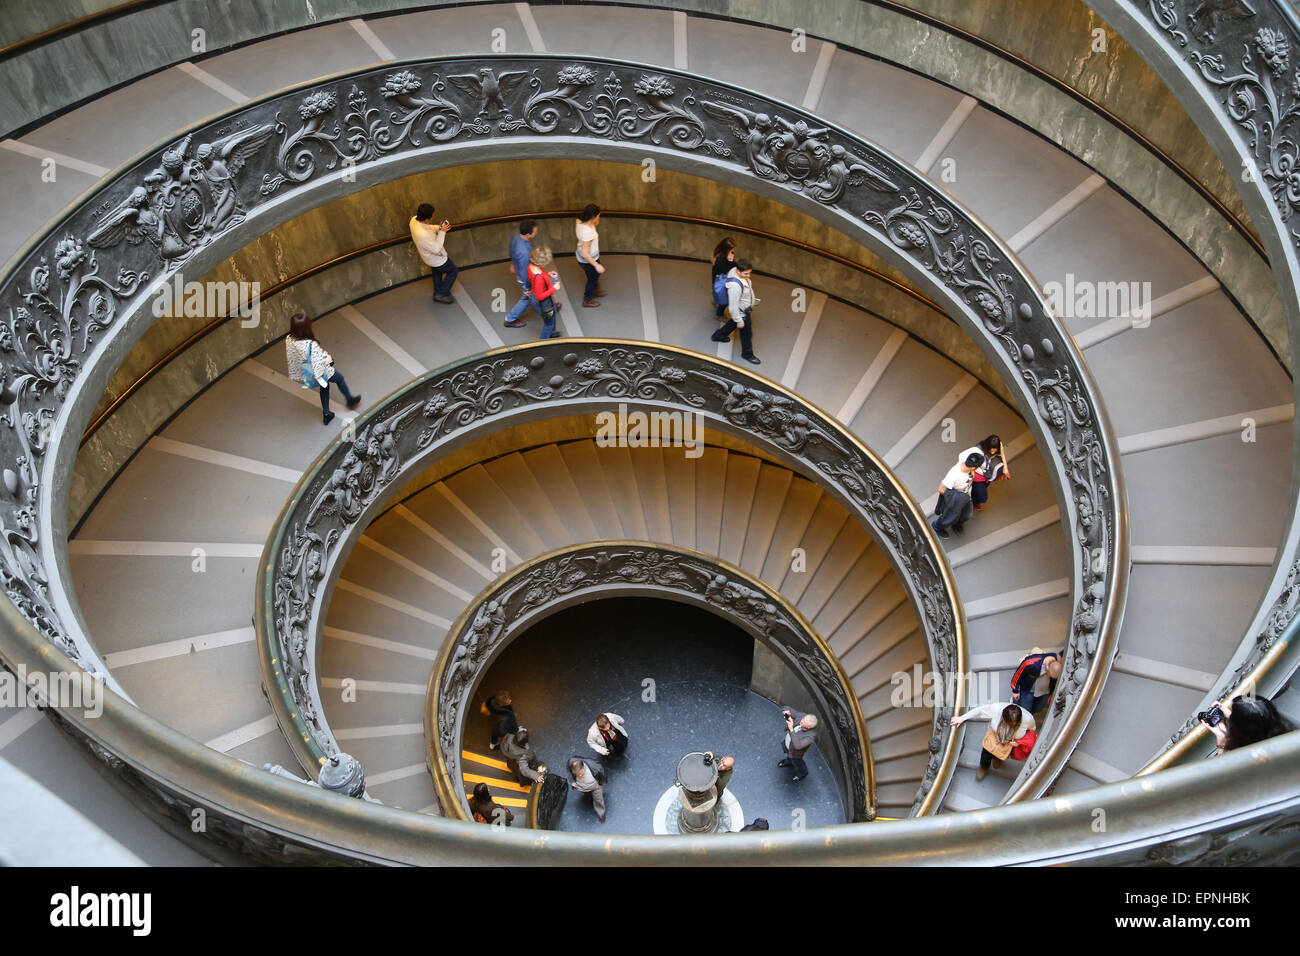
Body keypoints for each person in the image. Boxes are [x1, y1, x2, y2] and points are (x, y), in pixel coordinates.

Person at [284, 311, 361, 425]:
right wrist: (328, 360)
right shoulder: (311, 345)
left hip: (305, 370)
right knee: (339, 379)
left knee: (324, 386)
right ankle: (350, 400)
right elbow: (318, 366)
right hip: (318, 371)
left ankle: (326, 413)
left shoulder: (289, 339)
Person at [950, 702, 1035, 781]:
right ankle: (983, 767)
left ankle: (998, 759)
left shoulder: (1028, 719)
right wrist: (962, 718)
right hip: (994, 737)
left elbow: (1031, 731)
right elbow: (980, 710)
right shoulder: (997, 709)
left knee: (1003, 753)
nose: (1009, 726)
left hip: (1009, 743)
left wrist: (1019, 742)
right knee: (986, 753)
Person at [710, 258, 761, 365]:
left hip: (742, 310)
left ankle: (718, 336)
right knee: (747, 334)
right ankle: (747, 354)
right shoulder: (735, 287)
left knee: (732, 324)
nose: (749, 276)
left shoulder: (737, 272)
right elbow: (733, 307)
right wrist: (739, 320)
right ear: (738, 271)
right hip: (742, 313)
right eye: (746, 274)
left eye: (749, 273)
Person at [1203, 695, 1295, 752]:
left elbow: (1223, 777)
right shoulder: (1289, 739)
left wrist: (1222, 742)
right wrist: (1235, 718)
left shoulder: (1251, 757)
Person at [409, 202, 458, 304]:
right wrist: (442, 232)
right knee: (453, 271)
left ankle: (437, 291)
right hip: (437, 259)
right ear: (429, 217)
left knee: (437, 273)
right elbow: (436, 248)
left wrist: (439, 228)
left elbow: (427, 227)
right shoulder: (422, 235)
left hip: (428, 258)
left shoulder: (413, 220)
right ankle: (442, 293)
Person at [932, 451, 983, 538]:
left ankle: (956, 524)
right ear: (974, 467)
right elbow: (941, 489)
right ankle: (937, 527)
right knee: (947, 517)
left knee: (966, 515)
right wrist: (957, 497)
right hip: (957, 498)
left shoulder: (969, 466)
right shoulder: (955, 474)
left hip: (966, 497)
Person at [958, 434, 1010, 510]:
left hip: (987, 476)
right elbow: (962, 455)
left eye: (995, 451)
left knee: (978, 491)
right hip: (977, 477)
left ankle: (974, 501)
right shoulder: (977, 450)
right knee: (983, 498)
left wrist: (1005, 469)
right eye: (991, 450)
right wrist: (971, 468)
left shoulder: (999, 445)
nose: (992, 453)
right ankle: (969, 503)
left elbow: (1002, 455)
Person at [504, 219, 540, 328]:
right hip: (527, 277)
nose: (536, 232)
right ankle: (510, 319)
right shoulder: (524, 252)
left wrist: (514, 263)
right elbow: (525, 272)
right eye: (535, 231)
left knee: (542, 287)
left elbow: (511, 250)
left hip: (527, 269)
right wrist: (527, 288)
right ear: (528, 234)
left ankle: (550, 305)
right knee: (527, 298)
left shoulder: (515, 236)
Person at [1010, 648, 1063, 715]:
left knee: (1038, 708)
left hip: (1044, 689)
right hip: (1030, 688)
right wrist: (1015, 690)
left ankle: (1031, 714)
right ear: (1047, 668)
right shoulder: (1031, 664)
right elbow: (1018, 674)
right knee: (1025, 709)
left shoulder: (1056, 658)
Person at [527, 245, 562, 339]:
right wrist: (554, 288)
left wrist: (547, 274)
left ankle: (552, 333)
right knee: (548, 323)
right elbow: (540, 296)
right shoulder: (538, 278)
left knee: (553, 313)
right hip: (543, 302)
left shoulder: (531, 266)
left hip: (539, 297)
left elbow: (534, 277)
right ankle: (543, 341)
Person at [576, 203, 605, 307]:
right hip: (588, 260)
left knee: (594, 275)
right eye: (598, 216)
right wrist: (596, 265)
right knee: (592, 279)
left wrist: (594, 222)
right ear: (593, 217)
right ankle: (587, 299)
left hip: (586, 257)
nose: (599, 218)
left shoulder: (580, 221)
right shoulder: (587, 232)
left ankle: (593, 290)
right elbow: (585, 253)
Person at [777, 706, 818, 781]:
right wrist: (787, 713)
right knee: (789, 757)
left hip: (796, 753)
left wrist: (791, 729)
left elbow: (797, 746)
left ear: (808, 727)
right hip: (789, 746)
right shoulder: (803, 717)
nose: (801, 721)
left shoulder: (810, 736)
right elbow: (786, 708)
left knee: (798, 763)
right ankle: (788, 761)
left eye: (803, 722)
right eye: (803, 720)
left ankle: (802, 773)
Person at [568, 757, 607, 822]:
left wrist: (601, 783)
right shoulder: (571, 765)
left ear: (584, 767)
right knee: (587, 794)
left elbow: (602, 773)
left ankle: (601, 812)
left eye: (581, 773)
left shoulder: (594, 767)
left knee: (598, 799)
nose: (580, 775)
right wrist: (572, 782)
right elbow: (570, 774)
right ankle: (587, 793)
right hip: (583, 788)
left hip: (595, 787)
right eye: (577, 774)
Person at [711, 237, 737, 318]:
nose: (733, 250)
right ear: (726, 249)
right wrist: (731, 261)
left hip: (719, 280)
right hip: (721, 281)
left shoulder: (723, 255)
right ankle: (719, 314)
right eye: (732, 249)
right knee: (727, 300)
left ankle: (717, 301)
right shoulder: (720, 260)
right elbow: (727, 271)